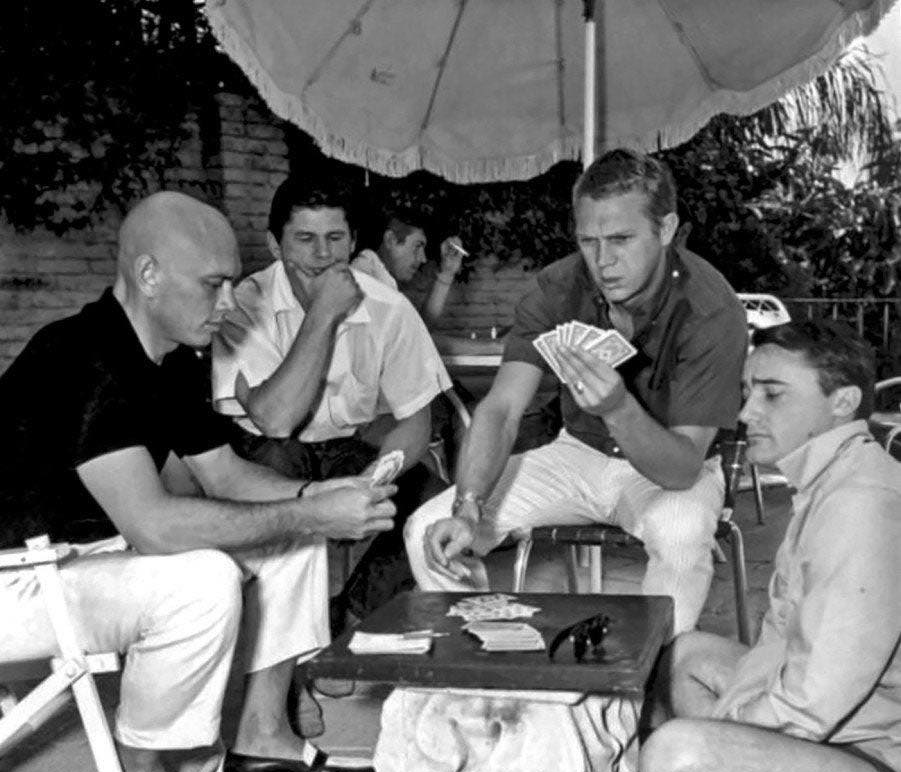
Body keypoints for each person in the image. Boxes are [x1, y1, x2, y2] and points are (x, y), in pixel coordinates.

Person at [0, 191, 393, 772]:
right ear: (149, 274)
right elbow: (154, 526)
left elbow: (229, 478)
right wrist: (309, 509)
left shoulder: (167, 359)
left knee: (288, 537)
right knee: (203, 579)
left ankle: (264, 740)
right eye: (212, 285)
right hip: (16, 583)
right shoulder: (85, 355)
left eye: (232, 286)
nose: (228, 304)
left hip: (80, 558)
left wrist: (320, 496)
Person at [406, 149, 748, 636]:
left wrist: (618, 409)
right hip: (576, 454)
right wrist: (468, 507)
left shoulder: (711, 309)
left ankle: (645, 690)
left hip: (666, 469)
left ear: (667, 229)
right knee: (428, 530)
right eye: (588, 241)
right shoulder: (559, 287)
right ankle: (490, 674)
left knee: (680, 534)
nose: (603, 262)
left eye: (622, 239)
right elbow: (501, 409)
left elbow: (681, 468)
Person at [629, 319, 901, 772]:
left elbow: (811, 703)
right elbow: (779, 653)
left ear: (843, 402)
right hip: (848, 737)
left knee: (676, 758)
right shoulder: (831, 480)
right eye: (748, 390)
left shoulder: (862, 504)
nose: (747, 411)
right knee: (688, 655)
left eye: (773, 394)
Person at [211, 178, 452, 635]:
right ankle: (283, 640)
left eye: (335, 239)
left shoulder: (389, 307)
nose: (322, 255)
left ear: (354, 242)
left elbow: (415, 423)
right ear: (274, 245)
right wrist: (322, 313)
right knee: (279, 466)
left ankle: (352, 618)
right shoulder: (245, 303)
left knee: (436, 506)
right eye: (304, 239)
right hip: (265, 452)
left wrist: (374, 479)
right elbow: (273, 419)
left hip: (346, 450)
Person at [352, 208, 465, 327]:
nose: (423, 258)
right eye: (417, 246)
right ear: (391, 240)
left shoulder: (378, 275)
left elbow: (413, 333)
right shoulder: (366, 276)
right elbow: (414, 336)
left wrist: (446, 273)